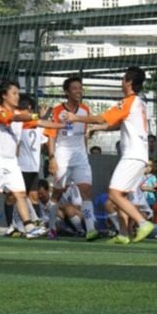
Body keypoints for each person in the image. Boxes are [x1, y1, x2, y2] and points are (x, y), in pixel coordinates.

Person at [64, 66, 155, 245]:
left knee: (113, 194)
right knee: (122, 194)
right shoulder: (140, 102)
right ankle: (122, 233)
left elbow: (102, 118)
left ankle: (143, 223)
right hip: (139, 155)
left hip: (133, 155)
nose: (121, 82)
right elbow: (118, 124)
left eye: (123, 79)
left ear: (129, 82)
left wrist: (76, 119)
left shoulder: (127, 101)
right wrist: (97, 128)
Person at [0, 80, 64, 241]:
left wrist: (62, 125)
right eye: (14, 93)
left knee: (21, 194)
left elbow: (41, 122)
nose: (17, 96)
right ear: (4, 95)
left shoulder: (21, 116)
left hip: (11, 163)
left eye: (18, 93)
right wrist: (33, 115)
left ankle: (29, 228)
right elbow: (13, 117)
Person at [44, 77, 100, 241]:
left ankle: (90, 230)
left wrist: (85, 150)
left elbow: (84, 134)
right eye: (74, 88)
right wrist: (52, 158)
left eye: (80, 88)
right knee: (58, 192)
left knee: (87, 191)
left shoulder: (85, 110)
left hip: (80, 157)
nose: (78, 91)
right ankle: (52, 227)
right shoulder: (57, 110)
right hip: (62, 155)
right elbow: (51, 136)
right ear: (66, 92)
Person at [3, 94, 48, 236]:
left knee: (33, 197)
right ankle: (11, 226)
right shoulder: (18, 123)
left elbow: (44, 142)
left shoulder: (38, 124)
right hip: (20, 166)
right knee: (12, 196)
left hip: (34, 167)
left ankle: (35, 225)